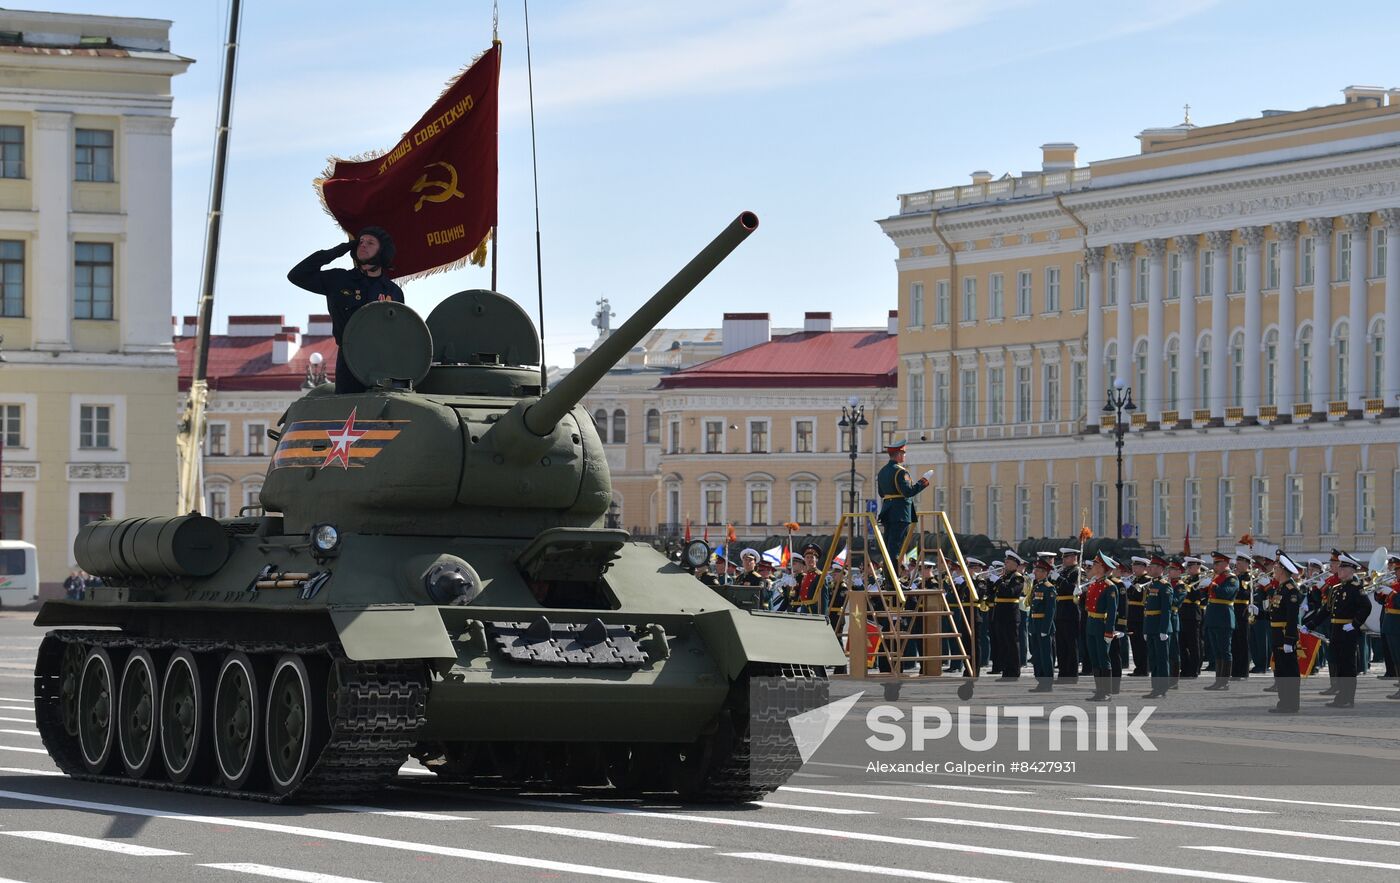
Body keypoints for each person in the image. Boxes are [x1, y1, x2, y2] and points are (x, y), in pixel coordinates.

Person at [287, 227, 404, 394]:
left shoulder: (393, 291)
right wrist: (337, 251)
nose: (363, 245)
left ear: (383, 251)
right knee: (349, 407)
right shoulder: (339, 280)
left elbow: (398, 331)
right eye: (360, 242)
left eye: (370, 243)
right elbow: (297, 275)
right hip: (349, 361)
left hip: (382, 362)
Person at [1324, 552, 1369, 708]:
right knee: (1338, 664)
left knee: (1347, 666)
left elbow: (1366, 607)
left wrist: (1354, 624)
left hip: (1348, 631)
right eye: (1340, 567)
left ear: (1351, 570)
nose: (1340, 570)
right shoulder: (1336, 588)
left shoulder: (1356, 588)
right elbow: (1326, 610)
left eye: (1343, 568)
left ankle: (1348, 698)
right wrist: (1310, 624)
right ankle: (1341, 696)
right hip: (1336, 630)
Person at [875, 441, 933, 562]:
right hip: (900, 513)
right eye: (903, 453)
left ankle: (888, 573)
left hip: (887, 512)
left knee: (888, 546)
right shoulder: (901, 472)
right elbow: (908, 492)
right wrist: (923, 481)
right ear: (899, 454)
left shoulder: (882, 471)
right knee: (896, 548)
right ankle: (894, 574)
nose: (904, 456)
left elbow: (881, 493)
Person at [1268, 554, 1304, 713]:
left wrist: (1289, 639)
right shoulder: (1280, 588)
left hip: (1284, 634)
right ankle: (1283, 702)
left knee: (1289, 670)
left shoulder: (1291, 590)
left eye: (1276, 567)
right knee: (1280, 670)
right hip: (1277, 634)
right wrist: (1259, 613)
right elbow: (1275, 613)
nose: (1273, 570)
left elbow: (1291, 617)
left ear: (1282, 569)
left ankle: (1292, 703)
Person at [1083, 552, 1119, 702]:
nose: (1093, 566)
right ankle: (1099, 691)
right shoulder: (1093, 584)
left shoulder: (1109, 587)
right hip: (1091, 624)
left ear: (1103, 567)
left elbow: (1112, 612)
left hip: (1101, 625)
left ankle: (1106, 692)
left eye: (1096, 563)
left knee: (1103, 658)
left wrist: (1109, 631)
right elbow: (1088, 606)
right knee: (1095, 659)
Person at [1203, 551, 1239, 691]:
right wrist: (1203, 587)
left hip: (1224, 618)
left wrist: (1212, 585)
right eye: (1214, 563)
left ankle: (1224, 682)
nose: (1214, 566)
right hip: (1213, 618)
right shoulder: (1216, 578)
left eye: (1217, 563)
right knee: (1217, 651)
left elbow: (1226, 593)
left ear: (1225, 563)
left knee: (1225, 651)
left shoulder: (1232, 578)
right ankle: (1218, 681)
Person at [1141, 555, 1174, 699]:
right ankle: (1155, 688)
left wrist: (1163, 630)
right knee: (1153, 659)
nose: (1149, 569)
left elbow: (1166, 610)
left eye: (1153, 566)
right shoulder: (1152, 585)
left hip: (1160, 627)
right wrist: (1145, 629)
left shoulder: (1165, 586)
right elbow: (1147, 610)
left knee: (1162, 659)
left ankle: (1162, 688)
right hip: (1151, 627)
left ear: (1161, 569)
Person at [1027, 556, 1057, 693]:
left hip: (1044, 625)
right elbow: (1032, 607)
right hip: (1035, 624)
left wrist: (1046, 628)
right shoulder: (1036, 586)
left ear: (1045, 573)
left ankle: (1047, 683)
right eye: (1035, 570)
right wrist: (1031, 626)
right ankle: (1040, 680)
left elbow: (1050, 611)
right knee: (1037, 655)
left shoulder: (1049, 588)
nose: (1035, 572)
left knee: (1045, 655)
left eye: (1038, 570)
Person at [1054, 547, 1081, 683]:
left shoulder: (1078, 572)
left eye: (1066, 557)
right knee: (1061, 645)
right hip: (1060, 611)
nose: (1063, 560)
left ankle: (1071, 675)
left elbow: (1074, 590)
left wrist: (1059, 579)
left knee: (1071, 645)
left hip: (1071, 611)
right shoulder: (1063, 571)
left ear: (1074, 558)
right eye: (1063, 557)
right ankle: (1063, 673)